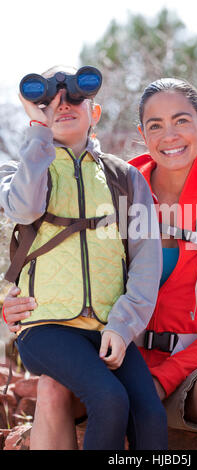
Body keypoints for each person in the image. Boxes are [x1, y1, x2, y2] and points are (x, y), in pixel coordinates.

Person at [2, 77, 197, 450]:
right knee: (53, 385)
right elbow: (53, 250)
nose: (169, 135)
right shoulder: (117, 188)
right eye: (155, 125)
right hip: (110, 355)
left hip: (192, 371)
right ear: (142, 133)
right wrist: (13, 301)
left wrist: (166, 377)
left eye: (182, 121)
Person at [0, 66, 168, 450]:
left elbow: (146, 260)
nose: (62, 104)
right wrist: (39, 129)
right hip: (47, 327)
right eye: (49, 100)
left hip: (109, 328)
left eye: (74, 96)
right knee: (109, 399)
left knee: (150, 416)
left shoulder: (125, 178)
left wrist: (123, 326)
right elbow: (24, 209)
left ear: (95, 112)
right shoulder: (17, 171)